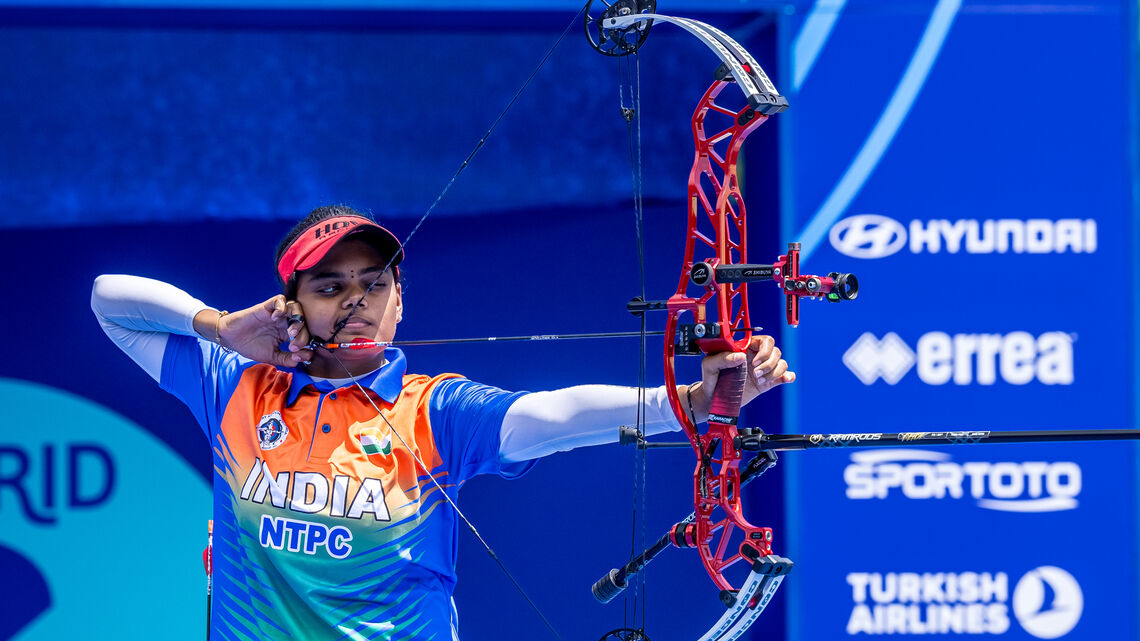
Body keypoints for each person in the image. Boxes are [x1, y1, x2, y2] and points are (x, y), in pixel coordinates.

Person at [91, 205, 794, 641]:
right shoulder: (234, 383)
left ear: (401, 303)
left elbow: (551, 415)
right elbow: (109, 299)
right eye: (329, 286)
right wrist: (220, 326)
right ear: (289, 304)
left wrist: (690, 401)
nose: (356, 300)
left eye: (376, 283)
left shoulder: (434, 410)